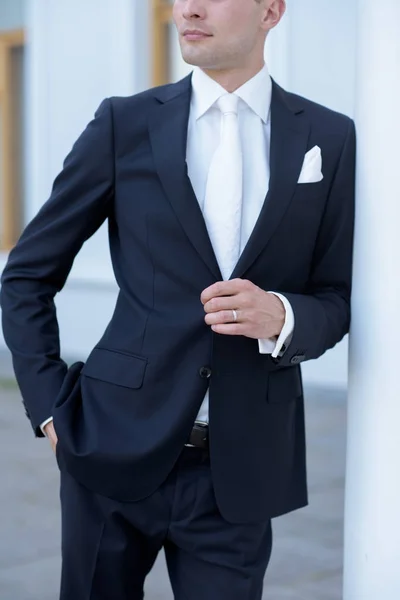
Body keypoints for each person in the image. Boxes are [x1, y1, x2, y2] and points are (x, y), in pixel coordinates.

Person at [0, 0, 356, 598]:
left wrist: (284, 316)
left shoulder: (328, 136)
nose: (187, 8)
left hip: (241, 468)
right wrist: (48, 408)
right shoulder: (123, 124)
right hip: (109, 449)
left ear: (271, 10)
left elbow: (338, 296)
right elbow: (27, 274)